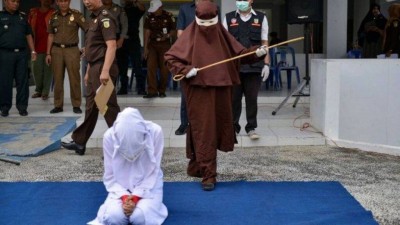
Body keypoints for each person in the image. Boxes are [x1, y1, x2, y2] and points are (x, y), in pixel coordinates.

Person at [164, 1, 267, 191]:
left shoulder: (221, 32)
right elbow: (171, 57)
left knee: (214, 127)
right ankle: (209, 174)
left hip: (221, 88)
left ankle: (197, 165)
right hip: (198, 89)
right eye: (203, 25)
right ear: (196, 20)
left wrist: (256, 52)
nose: (207, 29)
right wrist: (185, 69)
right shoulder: (190, 34)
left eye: (210, 24)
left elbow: (239, 54)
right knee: (204, 128)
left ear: (216, 20)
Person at [87, 107, 168, 225]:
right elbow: (110, 176)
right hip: (119, 189)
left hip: (150, 186)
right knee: (114, 218)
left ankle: (154, 205)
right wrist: (125, 197)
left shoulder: (155, 132)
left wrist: (135, 197)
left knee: (139, 218)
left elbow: (154, 171)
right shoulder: (109, 136)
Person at [61, 0, 120, 156]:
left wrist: (105, 71)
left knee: (108, 108)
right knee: (91, 107)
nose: (86, 2)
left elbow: (111, 45)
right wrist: (88, 71)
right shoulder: (93, 18)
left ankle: (122, 146)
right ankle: (80, 142)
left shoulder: (105, 17)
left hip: (103, 68)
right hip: (94, 67)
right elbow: (92, 49)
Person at [223, 0, 270, 140]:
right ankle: (233, 128)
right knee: (234, 99)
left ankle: (251, 128)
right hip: (234, 67)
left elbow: (264, 42)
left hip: (255, 67)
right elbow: (224, 43)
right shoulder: (228, 17)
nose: (241, 2)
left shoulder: (261, 17)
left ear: (251, 1)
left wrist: (267, 64)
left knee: (252, 99)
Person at [174, 0, 218, 135]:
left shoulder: (214, 8)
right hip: (189, 55)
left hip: (207, 55)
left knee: (207, 90)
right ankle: (184, 123)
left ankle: (205, 123)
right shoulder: (185, 8)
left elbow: (216, 30)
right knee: (186, 91)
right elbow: (180, 32)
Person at [46, 0, 87, 114]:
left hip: (72, 50)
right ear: (57, 2)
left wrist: (87, 46)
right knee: (57, 79)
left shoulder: (77, 15)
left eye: (66, 1)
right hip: (56, 50)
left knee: (74, 78)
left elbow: (88, 30)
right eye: (61, 1)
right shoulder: (53, 16)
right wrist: (48, 53)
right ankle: (58, 105)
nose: (63, 3)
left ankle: (76, 105)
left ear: (69, 2)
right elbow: (50, 35)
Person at [0, 0, 37, 117]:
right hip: (5, 54)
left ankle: (22, 107)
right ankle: (4, 107)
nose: (16, 4)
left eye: (17, 1)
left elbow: (28, 34)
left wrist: (33, 50)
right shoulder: (0, 16)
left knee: (23, 82)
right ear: (5, 2)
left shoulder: (22, 17)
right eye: (13, 1)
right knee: (5, 82)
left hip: (21, 54)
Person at [143, 0, 176, 98]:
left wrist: (167, 36)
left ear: (160, 7)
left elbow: (174, 31)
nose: (153, 12)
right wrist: (145, 48)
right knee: (151, 67)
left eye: (155, 9)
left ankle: (162, 90)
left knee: (164, 68)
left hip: (165, 44)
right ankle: (152, 91)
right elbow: (147, 32)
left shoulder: (169, 16)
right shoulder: (149, 17)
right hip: (152, 44)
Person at [117, 0, 146, 95]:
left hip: (134, 41)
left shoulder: (135, 9)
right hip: (122, 41)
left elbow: (143, 8)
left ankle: (140, 88)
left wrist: (135, 1)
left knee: (137, 65)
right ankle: (123, 88)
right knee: (122, 67)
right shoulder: (120, 10)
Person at [28, 0, 55, 101]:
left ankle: (45, 92)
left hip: (50, 47)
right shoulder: (33, 12)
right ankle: (38, 90)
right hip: (36, 46)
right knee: (36, 70)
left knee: (48, 71)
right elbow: (28, 30)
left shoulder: (54, 13)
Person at [101, 0, 130, 95]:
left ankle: (123, 87)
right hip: (102, 39)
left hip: (117, 38)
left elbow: (124, 25)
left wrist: (121, 38)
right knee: (105, 65)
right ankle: (107, 91)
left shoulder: (119, 9)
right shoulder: (99, 9)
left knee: (122, 65)